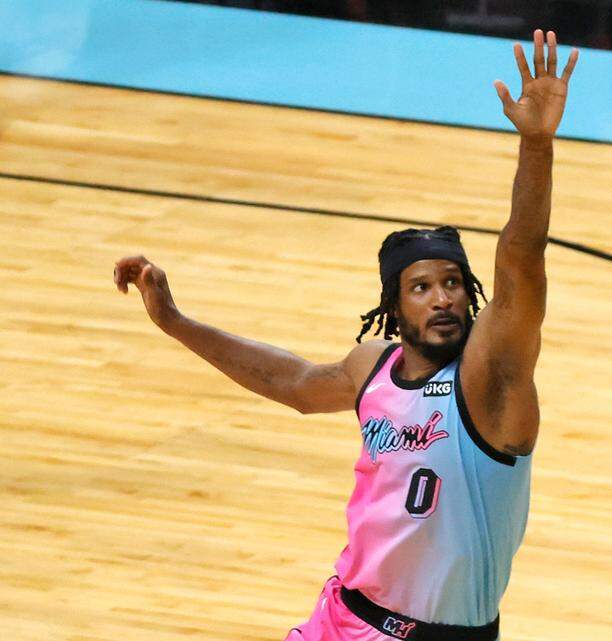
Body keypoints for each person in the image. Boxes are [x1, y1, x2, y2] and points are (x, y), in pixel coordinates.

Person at [113, 29, 578, 641]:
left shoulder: (491, 381)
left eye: (453, 283)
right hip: (340, 616)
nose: (442, 297)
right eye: (421, 287)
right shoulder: (373, 367)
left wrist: (536, 146)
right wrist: (175, 322)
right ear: (393, 307)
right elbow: (293, 382)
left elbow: (521, 261)